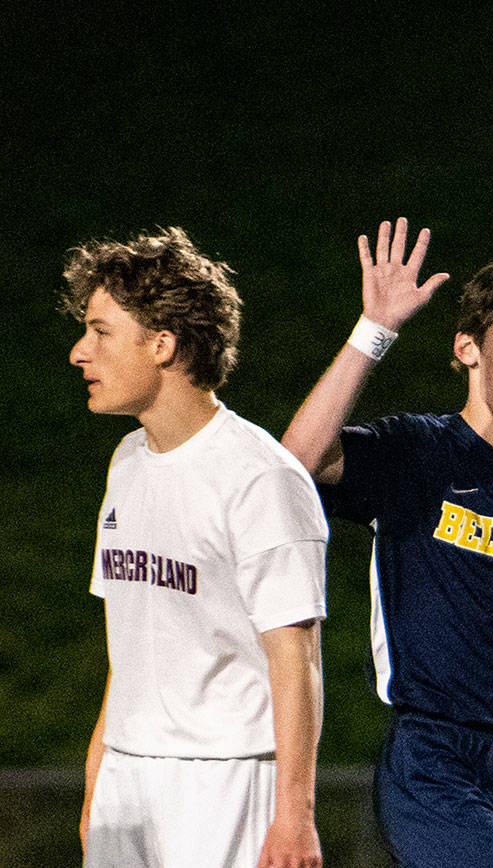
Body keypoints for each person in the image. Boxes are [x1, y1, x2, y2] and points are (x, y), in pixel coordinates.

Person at [280, 218, 493, 867]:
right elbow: (299, 459)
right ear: (467, 348)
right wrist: (375, 330)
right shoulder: (419, 454)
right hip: (433, 753)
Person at [68, 228, 328, 868]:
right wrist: (98, 780)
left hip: (226, 784)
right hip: (128, 784)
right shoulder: (127, 463)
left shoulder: (260, 477)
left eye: (101, 331)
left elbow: (297, 660)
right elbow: (129, 651)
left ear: (162, 344)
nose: (80, 352)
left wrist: (295, 815)